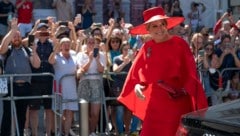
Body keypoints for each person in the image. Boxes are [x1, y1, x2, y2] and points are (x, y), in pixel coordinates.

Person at [117, 7, 208, 136]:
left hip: (177, 104)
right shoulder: (147, 48)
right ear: (148, 29)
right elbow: (138, 73)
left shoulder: (180, 44)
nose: (160, 29)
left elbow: (191, 75)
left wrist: (187, 93)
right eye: (154, 26)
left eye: (162, 24)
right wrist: (138, 86)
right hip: (155, 105)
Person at [0, 18, 40, 136]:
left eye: (18, 36)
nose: (16, 38)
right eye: (14, 36)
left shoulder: (27, 49)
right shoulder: (7, 50)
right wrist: (13, 30)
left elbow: (36, 65)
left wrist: (34, 50)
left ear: (21, 38)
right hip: (10, 86)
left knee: (22, 116)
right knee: (7, 115)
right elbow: (2, 47)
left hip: (25, 88)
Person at [28, 20, 55, 136]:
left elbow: (57, 41)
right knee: (34, 109)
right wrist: (34, 30)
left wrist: (52, 29)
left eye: (45, 30)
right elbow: (26, 41)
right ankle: (34, 133)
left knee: (49, 109)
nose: (43, 32)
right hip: (35, 80)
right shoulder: (32, 43)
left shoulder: (52, 43)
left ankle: (48, 133)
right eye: (41, 30)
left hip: (48, 80)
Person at [48, 37, 78, 136]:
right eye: (64, 44)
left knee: (69, 112)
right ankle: (59, 132)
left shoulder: (74, 55)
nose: (67, 46)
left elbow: (78, 68)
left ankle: (66, 133)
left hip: (71, 87)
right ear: (60, 46)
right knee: (60, 112)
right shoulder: (56, 56)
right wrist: (54, 51)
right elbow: (50, 61)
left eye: (68, 44)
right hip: (59, 87)